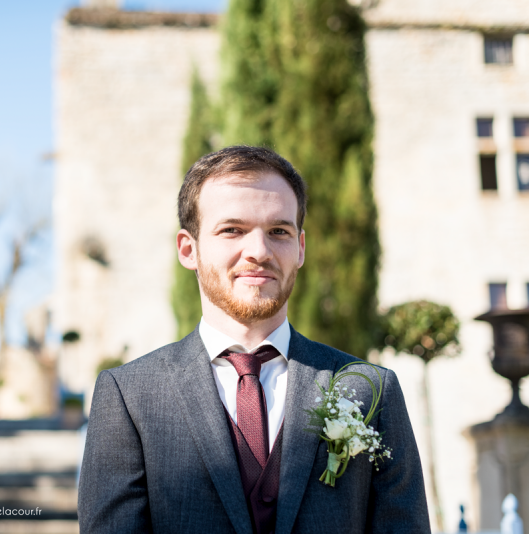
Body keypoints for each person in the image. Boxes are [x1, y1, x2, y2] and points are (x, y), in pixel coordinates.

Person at [77, 145, 429, 534]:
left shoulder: (371, 390)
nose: (259, 252)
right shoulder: (129, 396)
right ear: (188, 249)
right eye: (233, 230)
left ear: (300, 248)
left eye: (279, 231)